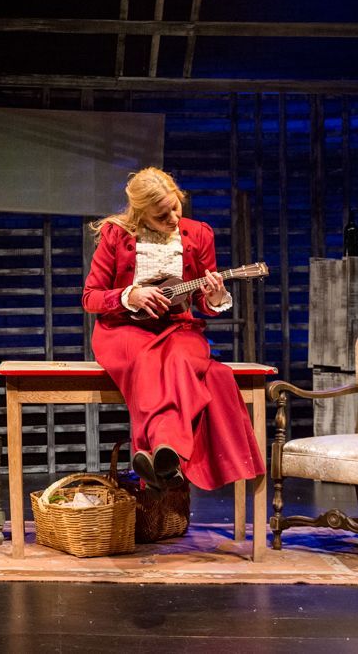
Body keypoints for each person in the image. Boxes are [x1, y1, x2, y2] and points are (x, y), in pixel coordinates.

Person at [82, 167, 265, 492]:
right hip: (123, 330)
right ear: (141, 213)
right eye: (161, 215)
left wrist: (215, 295)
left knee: (181, 359)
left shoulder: (199, 234)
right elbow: (91, 297)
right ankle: (169, 452)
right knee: (148, 361)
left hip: (179, 328)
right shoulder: (115, 235)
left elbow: (204, 302)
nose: (173, 218)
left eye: (175, 207)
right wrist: (130, 295)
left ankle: (159, 452)